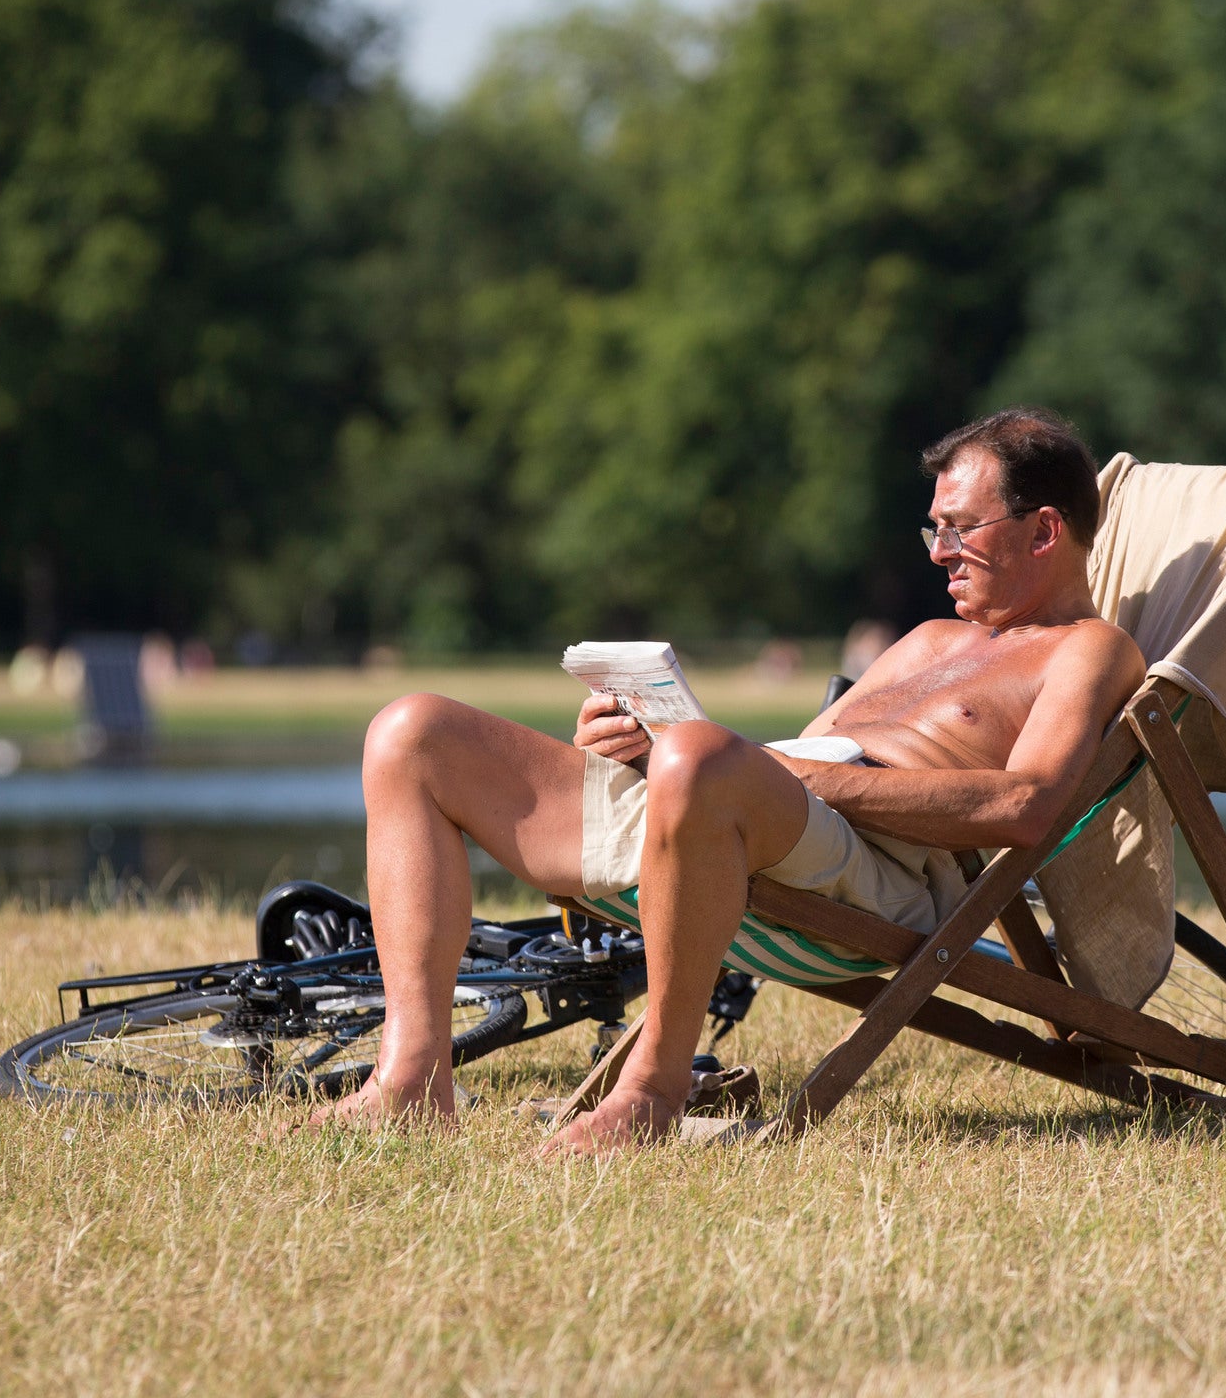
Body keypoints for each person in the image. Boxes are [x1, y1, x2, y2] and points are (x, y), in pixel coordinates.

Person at [304, 406, 1145, 1151]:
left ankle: (652, 1092)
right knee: (413, 733)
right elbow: (781, 772)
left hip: (876, 874)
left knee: (700, 756)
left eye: (961, 529)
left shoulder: (1090, 649)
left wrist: (780, 775)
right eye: (933, 530)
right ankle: (413, 1077)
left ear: (1042, 532)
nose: (940, 554)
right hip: (750, 825)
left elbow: (1027, 806)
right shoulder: (927, 637)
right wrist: (633, 752)